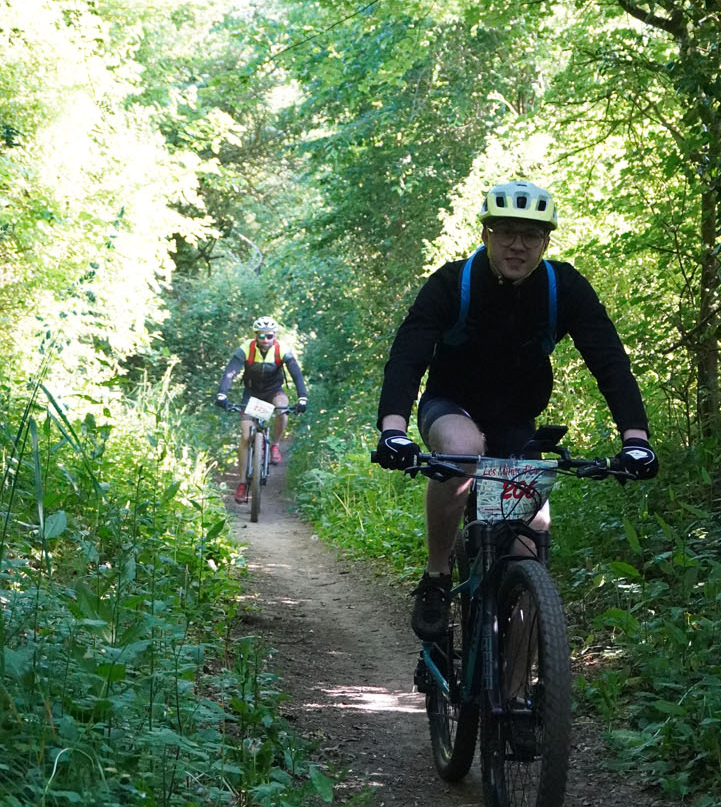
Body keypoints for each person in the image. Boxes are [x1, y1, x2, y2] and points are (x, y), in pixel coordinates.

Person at [374, 179, 658, 643]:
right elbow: (407, 356)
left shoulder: (563, 288)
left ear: (546, 241)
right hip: (451, 405)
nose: (518, 245)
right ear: (486, 234)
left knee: (531, 544)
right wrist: (393, 430)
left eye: (531, 235)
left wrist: (636, 440)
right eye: (506, 232)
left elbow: (610, 362)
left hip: (516, 422)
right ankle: (437, 576)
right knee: (463, 449)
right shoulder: (453, 284)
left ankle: (516, 682)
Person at [216, 315, 308, 503]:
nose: (266, 340)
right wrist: (222, 394)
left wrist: (302, 397)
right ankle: (242, 483)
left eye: (270, 336)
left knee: (282, 407)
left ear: (275, 336)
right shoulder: (246, 349)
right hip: (252, 395)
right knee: (245, 436)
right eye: (262, 336)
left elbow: (296, 374)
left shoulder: (281, 350)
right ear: (256, 336)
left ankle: (275, 445)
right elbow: (230, 372)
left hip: (273, 391)